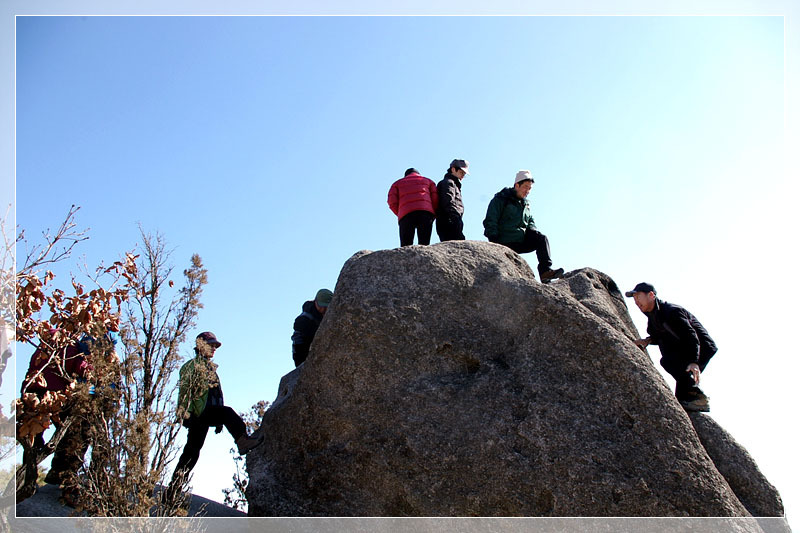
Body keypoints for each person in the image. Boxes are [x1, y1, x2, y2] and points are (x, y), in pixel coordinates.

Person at [168, 332, 263, 494]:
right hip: (199, 414)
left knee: (192, 452)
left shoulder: (209, 368)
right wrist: (184, 414)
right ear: (200, 346)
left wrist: (218, 422)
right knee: (226, 414)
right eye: (211, 345)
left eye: (215, 346)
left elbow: (215, 394)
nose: (214, 349)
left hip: (206, 413)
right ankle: (242, 441)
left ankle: (173, 490)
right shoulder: (191, 366)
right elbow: (184, 391)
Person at [625, 282, 717, 412]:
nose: (636, 302)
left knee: (668, 361)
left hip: (701, 347)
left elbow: (690, 335)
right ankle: (694, 401)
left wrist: (693, 362)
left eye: (638, 296)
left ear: (651, 295)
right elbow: (659, 335)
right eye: (634, 299)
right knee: (681, 399)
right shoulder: (653, 317)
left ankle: (699, 397)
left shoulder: (671, 312)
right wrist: (647, 341)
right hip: (685, 347)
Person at [482, 170, 564, 283]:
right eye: (525, 187)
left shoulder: (526, 204)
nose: (528, 191)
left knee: (541, 238)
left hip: (520, 240)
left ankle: (545, 272)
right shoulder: (501, 199)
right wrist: (494, 241)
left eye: (530, 188)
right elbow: (491, 220)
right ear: (517, 185)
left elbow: (530, 221)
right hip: (504, 241)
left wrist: (532, 231)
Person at [387, 168, 439, 246]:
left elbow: (392, 202)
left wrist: (401, 212)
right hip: (425, 213)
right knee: (424, 244)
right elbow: (435, 199)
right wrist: (433, 213)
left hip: (406, 215)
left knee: (406, 245)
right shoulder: (428, 181)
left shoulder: (396, 184)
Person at [291, 289, 333, 367]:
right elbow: (298, 343)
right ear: (315, 301)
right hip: (304, 352)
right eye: (321, 306)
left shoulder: (329, 313)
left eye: (326, 307)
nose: (323, 309)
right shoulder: (304, 319)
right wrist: (301, 363)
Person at [435, 158, 469, 242]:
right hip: (449, 221)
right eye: (461, 172)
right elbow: (448, 201)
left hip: (451, 219)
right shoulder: (448, 183)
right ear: (453, 169)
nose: (463, 176)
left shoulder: (453, 184)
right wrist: (454, 218)